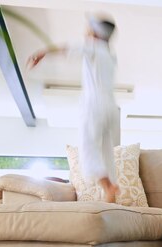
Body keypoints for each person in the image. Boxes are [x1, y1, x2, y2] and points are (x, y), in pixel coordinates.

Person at [27, 14, 119, 203]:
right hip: (111, 107)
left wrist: (43, 52)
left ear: (95, 32)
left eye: (88, 28)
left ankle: (108, 187)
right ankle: (111, 192)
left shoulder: (94, 46)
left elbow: (69, 47)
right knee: (105, 151)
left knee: (88, 148)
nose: (85, 30)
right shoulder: (110, 55)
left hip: (95, 105)